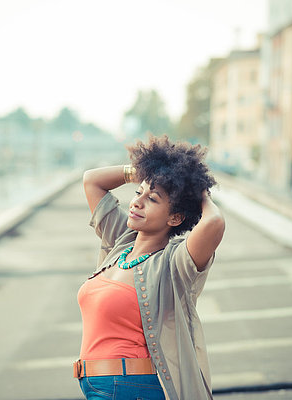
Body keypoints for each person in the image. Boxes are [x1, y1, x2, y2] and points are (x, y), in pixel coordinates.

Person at [75, 135, 225, 400]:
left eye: (152, 199)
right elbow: (92, 181)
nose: (137, 202)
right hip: (100, 386)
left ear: (175, 216)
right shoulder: (121, 243)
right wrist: (149, 173)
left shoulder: (174, 264)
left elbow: (213, 223)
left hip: (131, 389)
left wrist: (194, 190)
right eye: (138, 193)